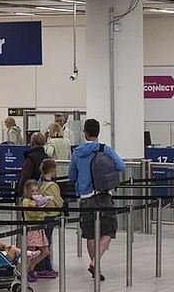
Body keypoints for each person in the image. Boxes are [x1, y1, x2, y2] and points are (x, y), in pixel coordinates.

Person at [68, 119, 125, 281]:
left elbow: (72, 175)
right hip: (104, 195)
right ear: (98, 132)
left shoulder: (77, 152)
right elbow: (121, 166)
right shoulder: (105, 149)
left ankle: (95, 265)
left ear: (85, 133)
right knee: (109, 231)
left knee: (90, 234)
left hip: (85, 198)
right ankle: (95, 262)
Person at [33, 158, 64, 278]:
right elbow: (58, 201)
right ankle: (44, 267)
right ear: (52, 170)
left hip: (41, 216)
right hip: (50, 216)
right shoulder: (52, 186)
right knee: (46, 243)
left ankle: (43, 266)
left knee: (42, 242)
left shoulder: (39, 183)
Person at [21, 180, 52, 281]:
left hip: (40, 229)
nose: (35, 193)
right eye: (32, 191)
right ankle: (25, 271)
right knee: (31, 252)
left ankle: (31, 267)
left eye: (36, 191)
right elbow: (32, 214)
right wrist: (40, 209)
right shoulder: (26, 201)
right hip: (32, 229)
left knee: (45, 251)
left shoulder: (39, 201)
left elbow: (45, 213)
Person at [16, 131, 50, 197]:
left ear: (32, 143)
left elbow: (25, 178)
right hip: (45, 193)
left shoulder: (30, 158)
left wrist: (20, 193)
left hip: (31, 194)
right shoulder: (48, 158)